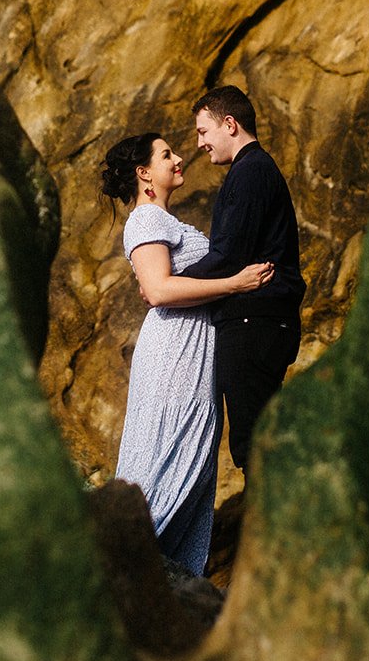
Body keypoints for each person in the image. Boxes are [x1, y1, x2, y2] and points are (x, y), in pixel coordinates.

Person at [100, 132, 274, 575]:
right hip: (173, 358)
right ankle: (118, 580)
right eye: (166, 155)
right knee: (164, 468)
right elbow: (158, 289)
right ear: (144, 174)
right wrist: (236, 283)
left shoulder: (165, 222)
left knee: (189, 472)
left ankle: (161, 590)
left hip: (193, 359)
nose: (179, 158)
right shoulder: (145, 221)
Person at [181, 85, 304, 476]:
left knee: (254, 445)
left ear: (229, 124)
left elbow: (228, 256)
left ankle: (270, 533)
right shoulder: (253, 170)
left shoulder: (251, 171)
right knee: (257, 440)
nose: (200, 143)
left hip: (255, 322)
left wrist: (171, 283)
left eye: (203, 131)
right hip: (260, 322)